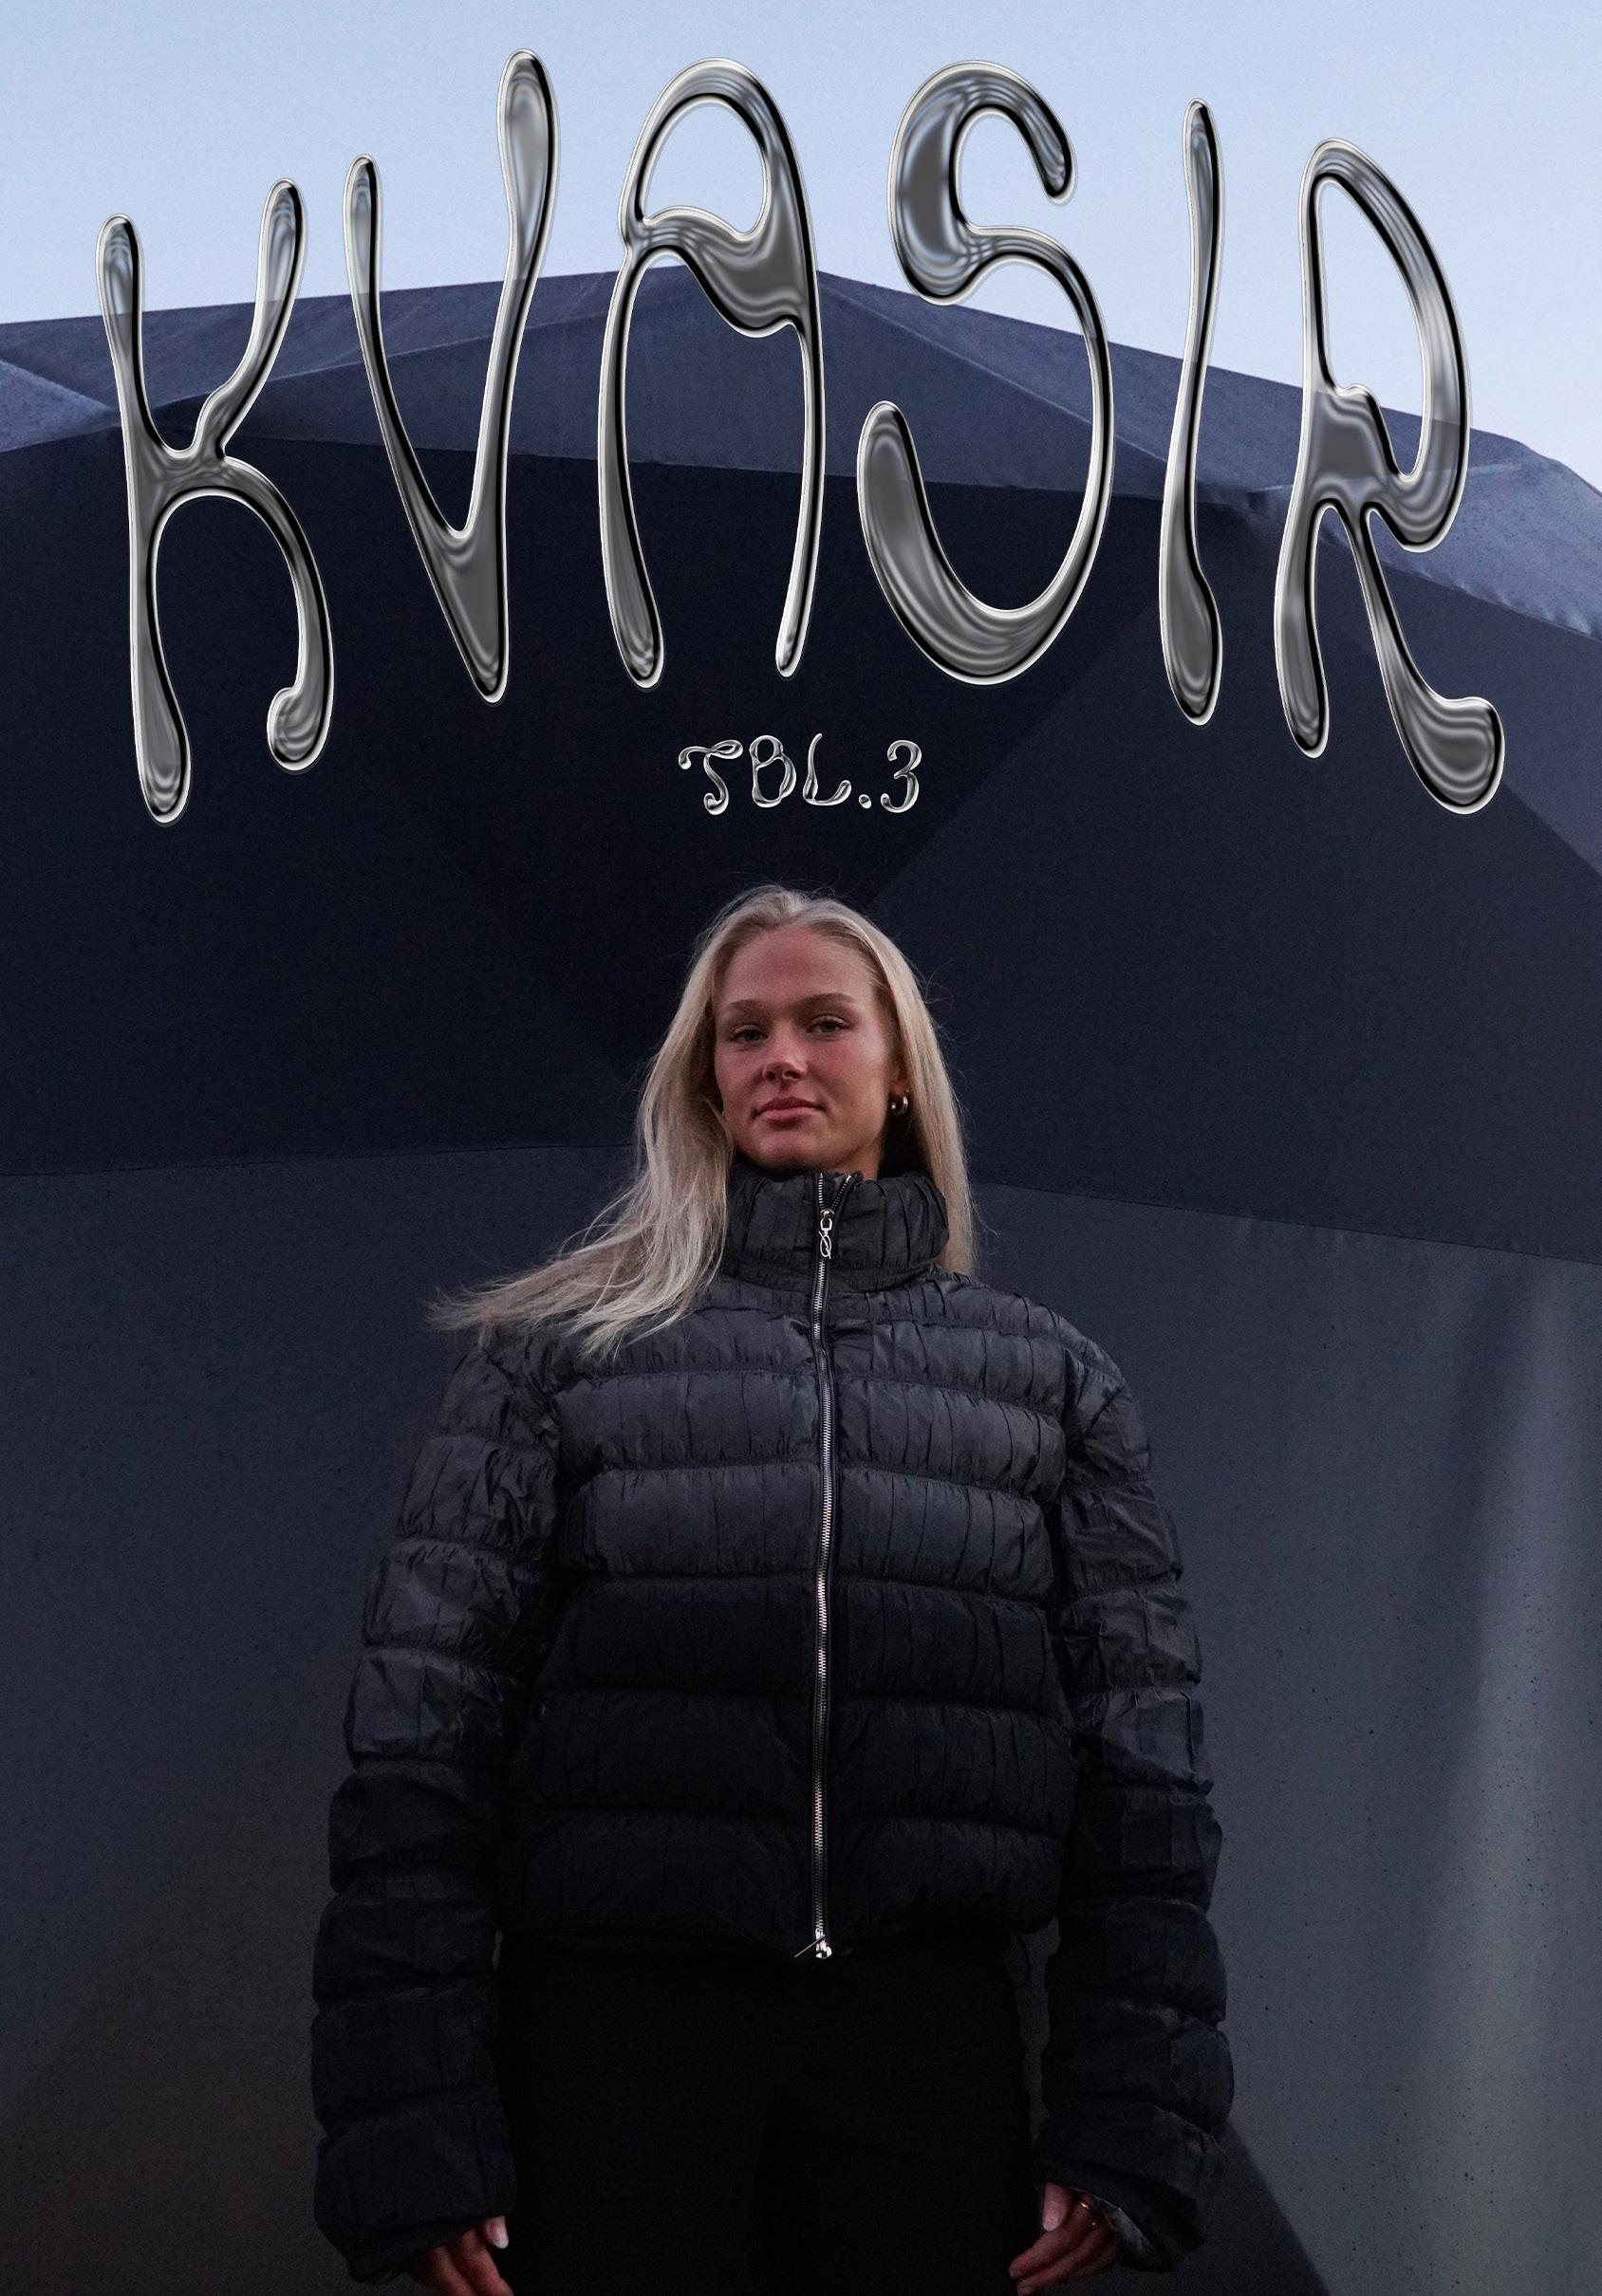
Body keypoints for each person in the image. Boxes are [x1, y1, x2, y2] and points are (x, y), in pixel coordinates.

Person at [310, 881, 1233, 2292]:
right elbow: (422, 1749)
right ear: (705, 1079)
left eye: (823, 1023)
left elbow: (1144, 1772)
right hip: (613, 2053)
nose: (781, 1058)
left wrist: (1132, 2110)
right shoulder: (554, 1364)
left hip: (925, 2055)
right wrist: (415, 2119)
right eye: (744, 1034)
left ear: (901, 1068)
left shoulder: (1053, 1383)